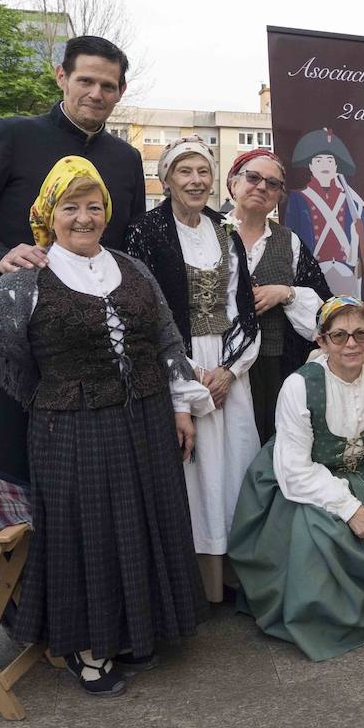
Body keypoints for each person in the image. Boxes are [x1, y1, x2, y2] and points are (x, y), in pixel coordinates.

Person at [0, 156, 210, 696]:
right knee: (89, 535)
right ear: (48, 216)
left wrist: (180, 404)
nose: (84, 218)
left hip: (147, 422)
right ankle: (86, 647)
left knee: (142, 523)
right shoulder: (25, 281)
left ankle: (136, 631)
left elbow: (165, 341)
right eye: (70, 207)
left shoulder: (133, 268)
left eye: (94, 206)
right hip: (73, 431)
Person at [0, 36, 145, 490]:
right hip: (18, 342)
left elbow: (129, 248)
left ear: (121, 92)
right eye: (85, 81)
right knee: (14, 474)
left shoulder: (126, 159)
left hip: (94, 351)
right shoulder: (11, 135)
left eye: (108, 86)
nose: (96, 94)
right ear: (61, 77)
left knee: (95, 481)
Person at [227, 296, 364, 662]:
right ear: (321, 340)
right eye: (339, 336)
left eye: (360, 334)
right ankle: (323, 622)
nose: (351, 344)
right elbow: (295, 471)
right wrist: (351, 509)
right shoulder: (300, 386)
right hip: (305, 477)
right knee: (316, 533)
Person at [125, 137, 261, 603]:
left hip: (227, 367)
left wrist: (228, 370)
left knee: (234, 464)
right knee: (191, 472)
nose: (196, 181)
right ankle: (191, 585)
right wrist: (186, 376)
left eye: (203, 171)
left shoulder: (225, 231)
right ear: (166, 179)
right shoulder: (145, 232)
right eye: (185, 171)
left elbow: (242, 307)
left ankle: (233, 578)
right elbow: (143, 313)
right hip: (175, 366)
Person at [223, 149, 331, 444]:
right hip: (218, 364)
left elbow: (323, 310)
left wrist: (286, 293)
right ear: (233, 183)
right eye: (253, 178)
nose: (262, 187)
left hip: (271, 367)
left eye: (272, 184)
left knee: (270, 444)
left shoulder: (289, 241)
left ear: (279, 196)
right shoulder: (207, 233)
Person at [283, 128, 364, 298]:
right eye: (319, 161)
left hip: (346, 270)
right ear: (310, 166)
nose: (325, 165)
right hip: (311, 273)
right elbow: (290, 236)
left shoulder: (352, 201)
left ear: (336, 166)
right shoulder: (298, 199)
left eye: (330, 161)